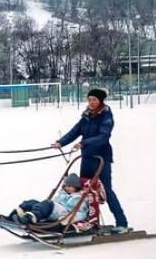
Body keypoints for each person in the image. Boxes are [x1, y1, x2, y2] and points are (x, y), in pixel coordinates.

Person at [51, 88, 129, 233]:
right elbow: (75, 131)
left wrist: (84, 143)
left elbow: (103, 136)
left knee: (106, 190)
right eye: (89, 99)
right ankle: (86, 222)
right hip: (87, 158)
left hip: (101, 159)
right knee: (84, 191)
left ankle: (122, 223)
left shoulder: (106, 116)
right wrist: (60, 142)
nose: (91, 102)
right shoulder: (87, 115)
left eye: (94, 100)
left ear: (100, 101)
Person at [7, 173, 88, 225]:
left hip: (64, 214)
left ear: (76, 187)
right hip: (53, 209)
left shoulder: (78, 198)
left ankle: (30, 218)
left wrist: (70, 218)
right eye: (66, 186)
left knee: (47, 203)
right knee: (32, 202)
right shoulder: (62, 193)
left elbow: (82, 213)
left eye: (70, 186)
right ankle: (15, 215)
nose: (67, 188)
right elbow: (54, 202)